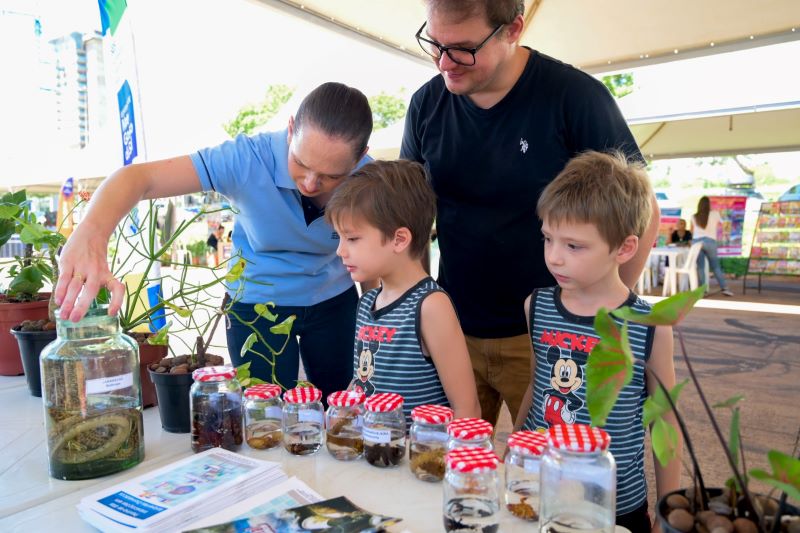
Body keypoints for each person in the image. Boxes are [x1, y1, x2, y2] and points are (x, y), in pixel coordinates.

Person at [400, 0, 659, 426]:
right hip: (453, 326)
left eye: (463, 48)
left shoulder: (574, 97)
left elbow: (642, 209)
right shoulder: (427, 105)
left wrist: (608, 311)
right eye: (434, 42)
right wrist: (420, 308)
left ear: (513, 29)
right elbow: (409, 219)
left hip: (549, 332)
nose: (445, 62)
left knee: (545, 475)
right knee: (442, 464)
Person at [54, 82, 374, 396]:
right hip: (256, 303)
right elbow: (140, 178)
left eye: (332, 176)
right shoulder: (247, 158)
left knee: (345, 401)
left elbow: (375, 258)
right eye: (300, 163)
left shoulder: (369, 178)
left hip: (334, 300)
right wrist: (91, 233)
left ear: (361, 158)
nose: (310, 182)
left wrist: (378, 313)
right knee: (264, 411)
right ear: (290, 130)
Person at [513, 151, 680, 532]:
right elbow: (538, 384)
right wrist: (516, 448)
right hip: (540, 492)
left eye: (574, 246)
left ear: (624, 248)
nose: (554, 257)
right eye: (548, 239)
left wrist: (668, 510)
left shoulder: (649, 325)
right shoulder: (536, 306)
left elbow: (664, 420)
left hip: (615, 506)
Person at [324, 159, 481, 423]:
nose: (340, 250)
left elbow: (467, 408)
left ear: (399, 239)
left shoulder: (430, 306)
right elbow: (363, 380)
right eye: (338, 238)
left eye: (352, 239)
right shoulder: (367, 303)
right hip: (371, 451)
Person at [691, 196, 733, 296]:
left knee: (700, 267)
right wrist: (725, 235)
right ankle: (724, 288)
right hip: (710, 242)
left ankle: (702, 290)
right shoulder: (715, 214)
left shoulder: (694, 216)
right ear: (709, 204)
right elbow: (725, 224)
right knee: (715, 267)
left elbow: (692, 231)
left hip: (697, 242)